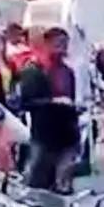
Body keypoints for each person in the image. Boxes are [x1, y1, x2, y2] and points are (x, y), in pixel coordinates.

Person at [18, 27, 79, 193]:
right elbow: (26, 102)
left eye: (65, 44)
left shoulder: (67, 72)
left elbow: (71, 98)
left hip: (67, 135)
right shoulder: (33, 71)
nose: (62, 48)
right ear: (46, 44)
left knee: (63, 184)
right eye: (58, 44)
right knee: (38, 183)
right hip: (44, 135)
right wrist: (53, 102)